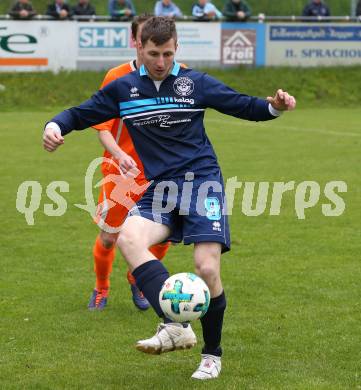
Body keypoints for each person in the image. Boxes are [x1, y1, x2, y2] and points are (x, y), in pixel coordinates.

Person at [43, 16, 296, 380]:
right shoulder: (123, 88)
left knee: (207, 269)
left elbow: (243, 105)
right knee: (128, 239)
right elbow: (79, 114)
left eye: (167, 53)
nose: (160, 61)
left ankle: (212, 355)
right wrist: (54, 127)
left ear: (176, 48)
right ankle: (175, 324)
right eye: (153, 53)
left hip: (202, 185)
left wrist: (274, 106)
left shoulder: (194, 83)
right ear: (139, 48)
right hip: (160, 188)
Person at [88, 14, 170, 311]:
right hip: (119, 173)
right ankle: (101, 288)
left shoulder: (177, 75)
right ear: (135, 42)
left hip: (160, 173)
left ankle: (137, 279)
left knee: (164, 236)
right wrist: (120, 155)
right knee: (109, 238)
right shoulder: (116, 77)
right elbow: (103, 126)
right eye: (143, 40)